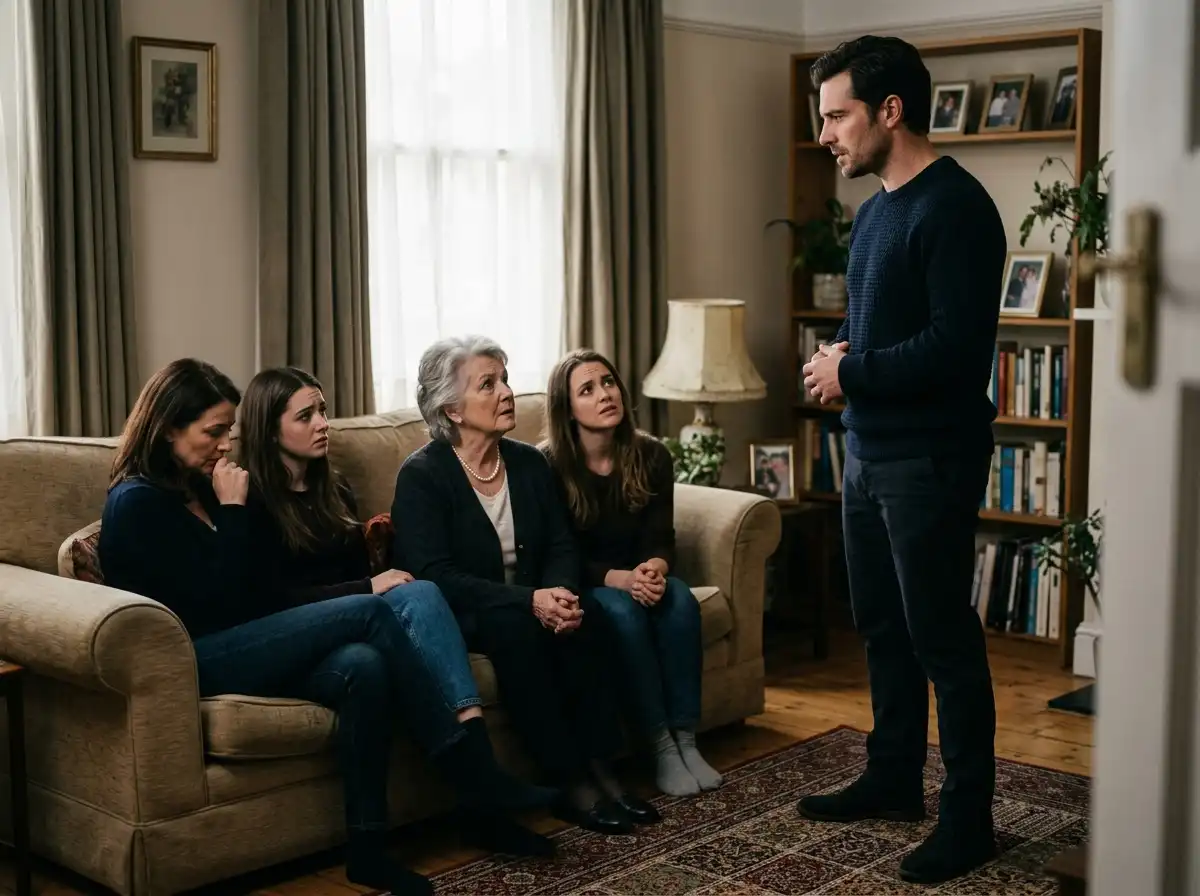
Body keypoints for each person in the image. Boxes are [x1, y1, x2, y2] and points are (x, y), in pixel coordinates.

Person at [97, 360, 541, 896]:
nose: (223, 446)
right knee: (372, 608)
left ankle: (367, 850)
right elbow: (219, 599)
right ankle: (473, 772)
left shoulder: (200, 484)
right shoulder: (138, 502)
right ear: (168, 427)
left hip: (252, 638)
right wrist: (235, 511)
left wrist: (228, 505)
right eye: (212, 433)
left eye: (227, 433)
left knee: (363, 666)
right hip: (196, 655)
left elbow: (244, 588)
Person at [798, 35, 1006, 885]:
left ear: (891, 111)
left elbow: (956, 351)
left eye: (838, 115)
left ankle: (969, 819)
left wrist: (850, 369)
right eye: (821, 119)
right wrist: (856, 355)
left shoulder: (955, 207)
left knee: (941, 640)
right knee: (881, 628)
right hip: (870, 455)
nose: (826, 135)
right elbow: (899, 331)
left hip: (931, 460)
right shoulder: (877, 209)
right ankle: (892, 777)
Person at [237, 365, 556, 859]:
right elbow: (268, 600)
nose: (324, 423)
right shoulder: (248, 500)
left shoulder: (332, 490)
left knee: (382, 642)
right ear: (268, 428)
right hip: (292, 638)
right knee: (419, 592)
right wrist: (369, 584)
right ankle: (480, 773)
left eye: (322, 410)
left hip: (354, 636)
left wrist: (370, 585)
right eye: (306, 415)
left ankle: (478, 800)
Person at [390, 335, 660, 835]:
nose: (507, 392)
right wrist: (530, 600)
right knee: (517, 632)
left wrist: (559, 595)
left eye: (506, 379)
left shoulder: (529, 462)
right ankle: (569, 783)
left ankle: (605, 769)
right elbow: (435, 576)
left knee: (586, 618)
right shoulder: (423, 476)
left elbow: (562, 544)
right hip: (471, 613)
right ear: (451, 407)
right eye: (488, 384)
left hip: (535, 599)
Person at [540, 349, 722, 798]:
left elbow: (662, 537)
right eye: (588, 389)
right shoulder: (546, 466)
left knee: (679, 599)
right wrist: (621, 579)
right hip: (590, 584)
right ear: (568, 410)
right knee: (621, 613)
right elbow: (558, 553)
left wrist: (654, 570)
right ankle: (659, 747)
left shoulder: (652, 454)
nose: (606, 394)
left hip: (638, 577)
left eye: (608, 382)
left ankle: (686, 739)